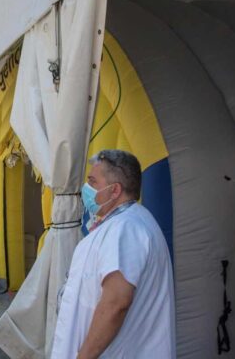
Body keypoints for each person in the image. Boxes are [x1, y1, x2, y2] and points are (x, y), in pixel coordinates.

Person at [51, 149, 175, 359]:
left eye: (93, 182)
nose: (86, 189)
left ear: (115, 190)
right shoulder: (121, 224)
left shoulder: (126, 229)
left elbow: (116, 304)